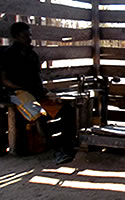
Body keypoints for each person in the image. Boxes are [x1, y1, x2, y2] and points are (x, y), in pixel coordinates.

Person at [0, 22, 76, 164]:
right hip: (17, 93)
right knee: (39, 114)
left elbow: (36, 78)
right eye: (26, 35)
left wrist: (44, 92)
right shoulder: (7, 55)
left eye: (30, 35)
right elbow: (4, 80)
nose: (29, 38)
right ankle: (56, 149)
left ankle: (65, 146)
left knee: (67, 109)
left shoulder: (31, 55)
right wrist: (24, 87)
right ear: (16, 36)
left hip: (35, 93)